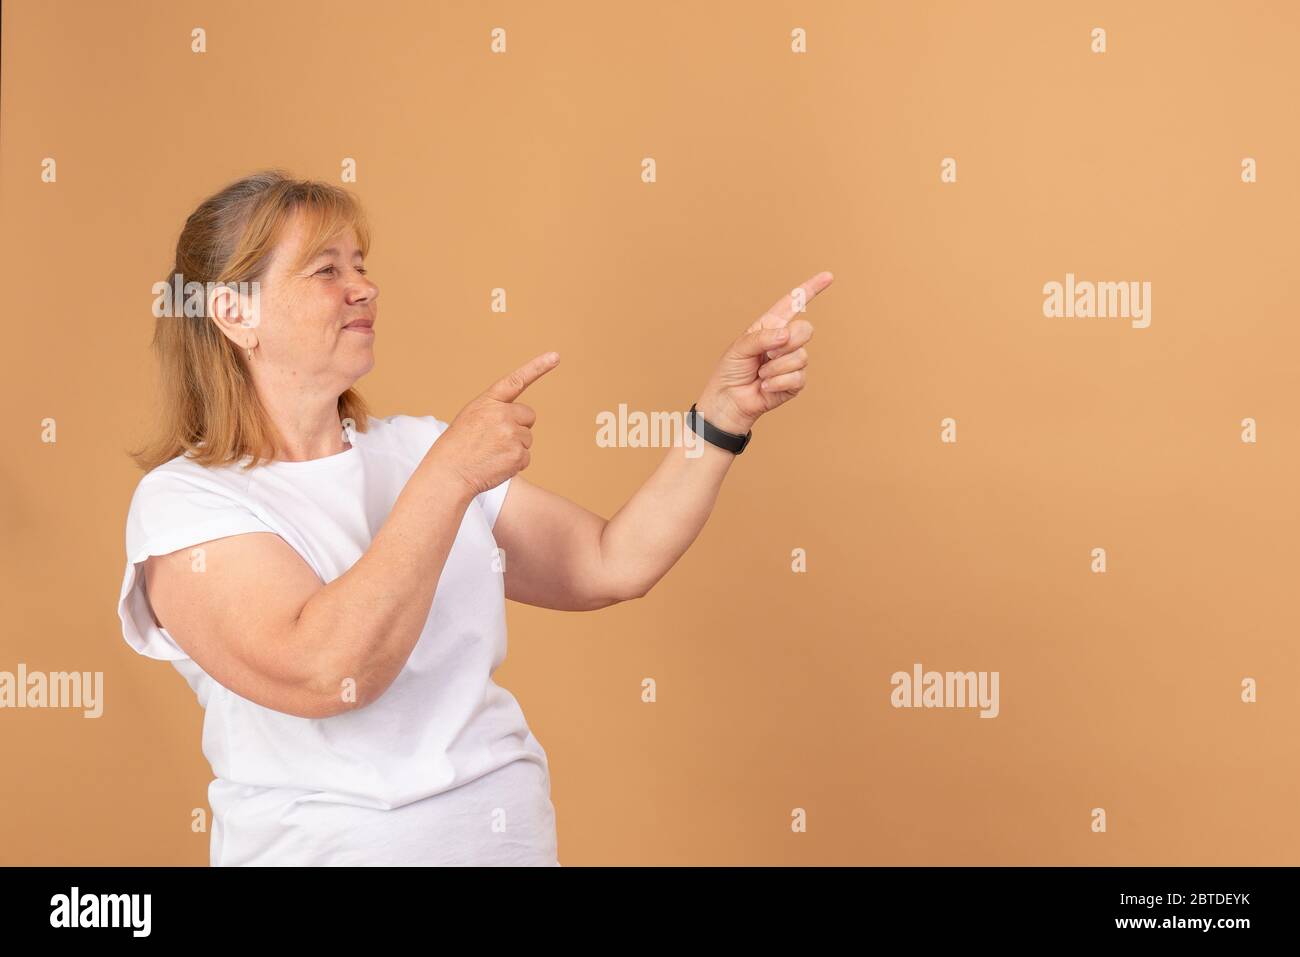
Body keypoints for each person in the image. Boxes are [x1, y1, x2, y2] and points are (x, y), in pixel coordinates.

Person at [117, 169, 831, 865]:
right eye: (325, 269)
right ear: (235, 311)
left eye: (360, 264)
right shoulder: (187, 504)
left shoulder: (418, 449)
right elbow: (327, 672)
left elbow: (611, 561)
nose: (363, 287)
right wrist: (449, 477)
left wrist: (720, 416)